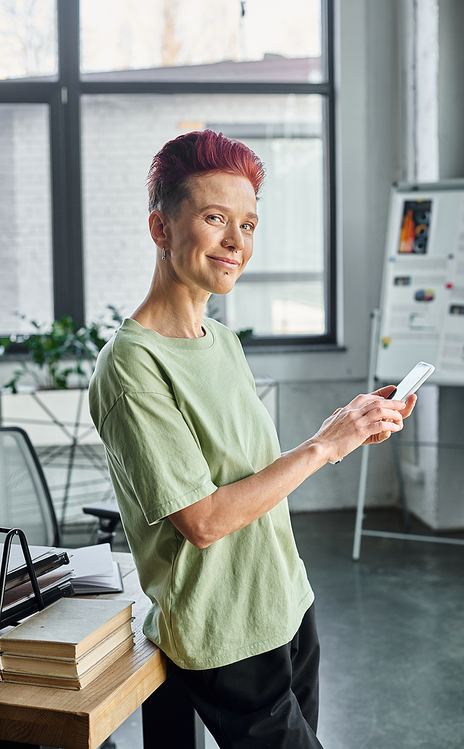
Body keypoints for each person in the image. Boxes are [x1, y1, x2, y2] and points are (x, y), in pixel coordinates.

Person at [89, 129, 415, 748]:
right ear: (161, 229)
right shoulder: (132, 366)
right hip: (225, 631)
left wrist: (339, 429)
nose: (237, 243)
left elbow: (254, 472)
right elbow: (204, 520)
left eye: (249, 224)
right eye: (215, 219)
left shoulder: (222, 341)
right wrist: (325, 447)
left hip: (288, 602)